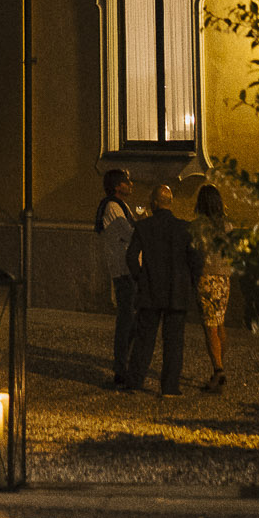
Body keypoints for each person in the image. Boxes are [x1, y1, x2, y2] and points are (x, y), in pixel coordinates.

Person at [124, 183, 197, 396]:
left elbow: (130, 257)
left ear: (154, 203)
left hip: (150, 290)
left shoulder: (144, 227)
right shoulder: (185, 228)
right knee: (174, 342)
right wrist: (190, 282)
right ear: (170, 202)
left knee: (144, 339)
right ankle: (170, 387)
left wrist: (140, 277)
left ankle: (135, 381)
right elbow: (195, 260)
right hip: (176, 291)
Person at [94, 169, 139, 386]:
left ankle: (126, 363)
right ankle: (121, 368)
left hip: (127, 268)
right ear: (116, 186)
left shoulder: (120, 206)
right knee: (126, 319)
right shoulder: (112, 207)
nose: (130, 184)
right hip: (123, 269)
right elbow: (128, 233)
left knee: (130, 318)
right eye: (126, 182)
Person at [191, 182, 233, 393]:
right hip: (224, 278)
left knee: (210, 327)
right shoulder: (227, 225)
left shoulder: (199, 226)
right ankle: (220, 365)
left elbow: (196, 253)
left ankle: (218, 370)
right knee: (220, 323)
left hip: (206, 279)